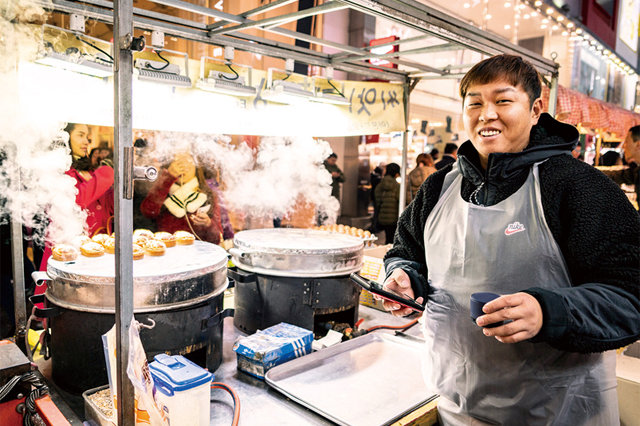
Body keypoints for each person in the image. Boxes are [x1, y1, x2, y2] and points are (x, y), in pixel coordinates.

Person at [381, 55, 639, 424]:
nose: (486, 114)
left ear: (535, 110)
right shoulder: (438, 187)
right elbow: (406, 250)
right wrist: (404, 278)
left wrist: (548, 311)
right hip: (457, 409)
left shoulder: (578, 187)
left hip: (559, 414)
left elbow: (631, 295)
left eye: (502, 100)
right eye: (475, 103)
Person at [40, 123, 115, 270]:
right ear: (65, 137)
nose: (87, 141)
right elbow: (75, 202)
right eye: (80, 135)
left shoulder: (91, 172)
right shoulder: (57, 170)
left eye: (87, 137)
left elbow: (110, 208)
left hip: (97, 250)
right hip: (70, 251)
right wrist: (107, 173)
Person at [140, 151, 223, 244]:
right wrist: (167, 178)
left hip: (197, 255)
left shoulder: (208, 196)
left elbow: (216, 239)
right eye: (177, 162)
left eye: (187, 162)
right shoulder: (162, 191)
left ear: (196, 168)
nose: (182, 168)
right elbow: (148, 211)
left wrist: (208, 224)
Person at [600, 125, 640, 210]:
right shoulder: (636, 171)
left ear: (638, 145)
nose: (623, 147)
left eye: (626, 142)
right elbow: (618, 175)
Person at [374, 162, 401, 244]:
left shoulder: (380, 185)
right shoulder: (397, 186)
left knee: (387, 237)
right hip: (394, 218)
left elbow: (377, 201)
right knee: (393, 239)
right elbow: (400, 200)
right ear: (396, 173)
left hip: (382, 217)